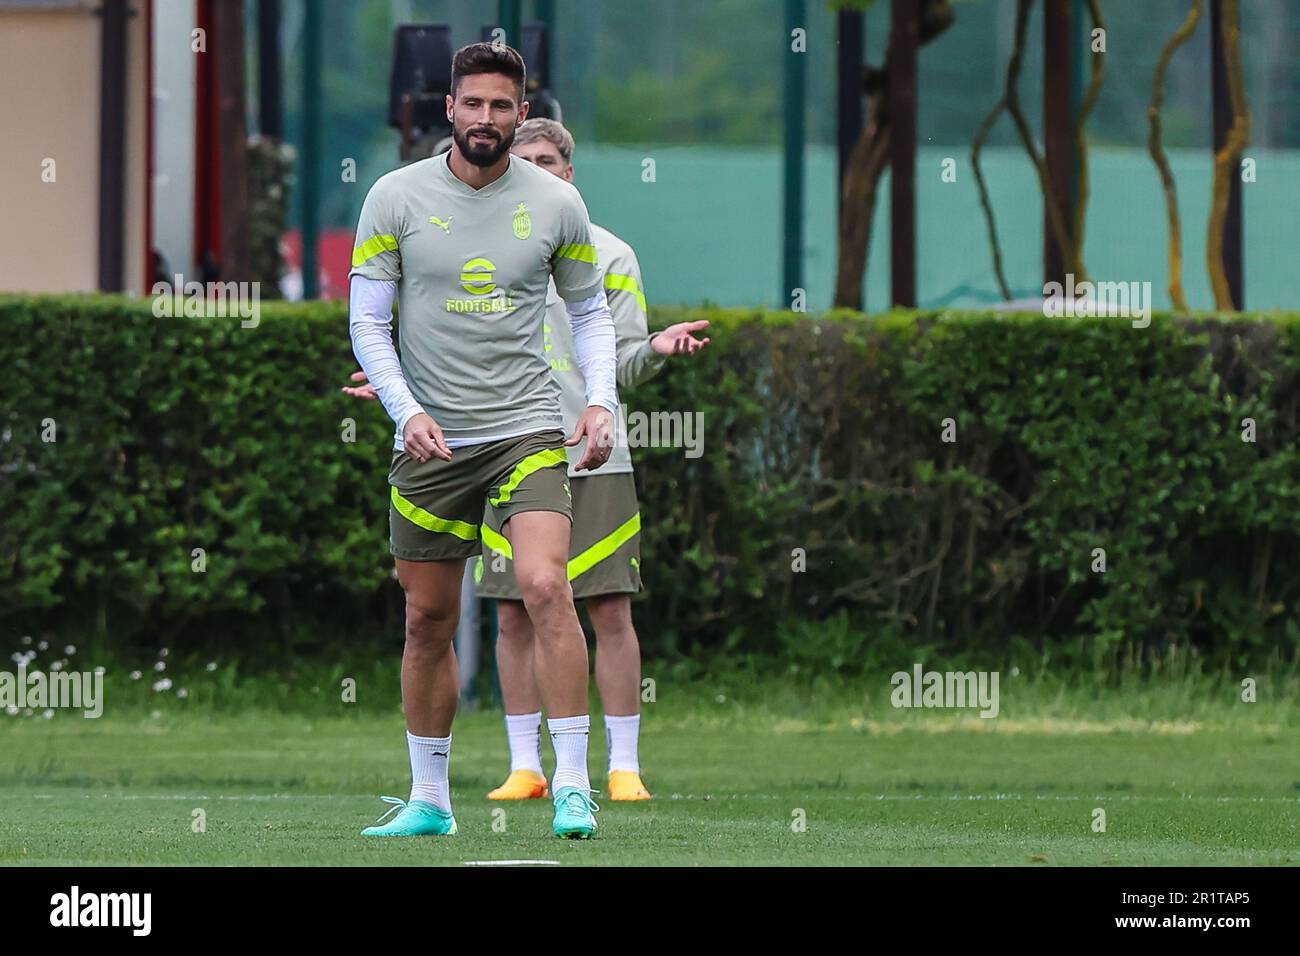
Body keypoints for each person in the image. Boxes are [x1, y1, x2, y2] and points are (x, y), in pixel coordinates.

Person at [347, 42, 618, 840]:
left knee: (545, 585)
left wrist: (598, 402)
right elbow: (366, 320)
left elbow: (591, 313)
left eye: (503, 107)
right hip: (431, 439)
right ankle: (430, 800)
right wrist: (405, 410)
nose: (487, 120)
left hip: (527, 428)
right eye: (474, 104)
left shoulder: (557, 204)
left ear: (521, 112)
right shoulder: (394, 198)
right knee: (427, 619)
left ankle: (572, 785)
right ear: (451, 108)